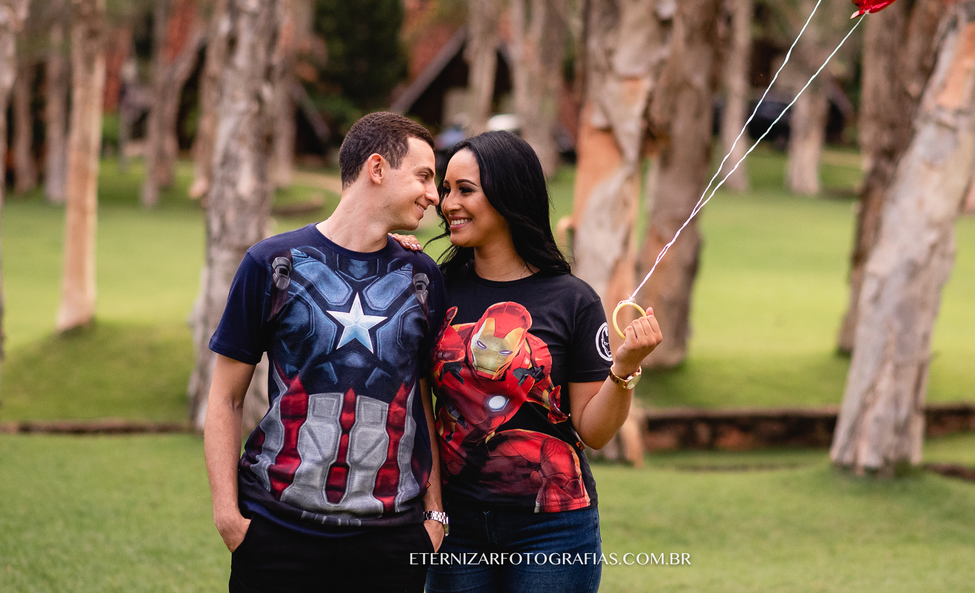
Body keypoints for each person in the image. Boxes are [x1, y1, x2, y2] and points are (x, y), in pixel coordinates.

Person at [405, 130, 663, 593]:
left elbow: (594, 432)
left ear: (508, 195)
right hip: (456, 526)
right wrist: (434, 508)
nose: (447, 204)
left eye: (465, 190)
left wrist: (623, 369)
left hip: (554, 528)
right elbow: (419, 406)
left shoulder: (573, 300)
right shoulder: (434, 288)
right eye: (446, 190)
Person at [204, 112, 449, 593]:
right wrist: (229, 517)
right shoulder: (273, 264)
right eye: (423, 176)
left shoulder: (422, 278)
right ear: (377, 169)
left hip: (392, 539)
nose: (434, 195)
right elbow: (225, 397)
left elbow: (423, 399)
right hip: (277, 531)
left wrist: (434, 516)